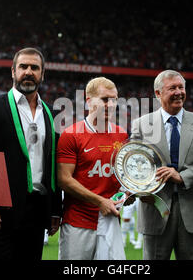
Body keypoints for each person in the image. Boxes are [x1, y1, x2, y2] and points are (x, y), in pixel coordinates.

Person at [0, 47, 62, 260]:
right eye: (23, 66)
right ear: (13, 71)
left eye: (34, 67)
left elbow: (54, 163)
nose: (28, 72)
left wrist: (55, 209)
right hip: (1, 211)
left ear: (42, 74)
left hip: (37, 210)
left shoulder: (53, 113)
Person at [130, 69, 193, 260]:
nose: (179, 92)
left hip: (192, 211)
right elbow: (133, 164)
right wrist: (139, 189)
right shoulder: (141, 124)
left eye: (182, 87)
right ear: (158, 93)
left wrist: (182, 177)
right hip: (155, 210)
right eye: (172, 88)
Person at [57, 77, 128, 260]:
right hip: (78, 223)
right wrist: (99, 201)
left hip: (111, 220)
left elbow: (122, 177)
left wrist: (128, 193)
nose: (111, 104)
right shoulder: (71, 134)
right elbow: (64, 179)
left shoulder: (121, 134)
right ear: (88, 101)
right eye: (105, 99)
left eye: (114, 99)